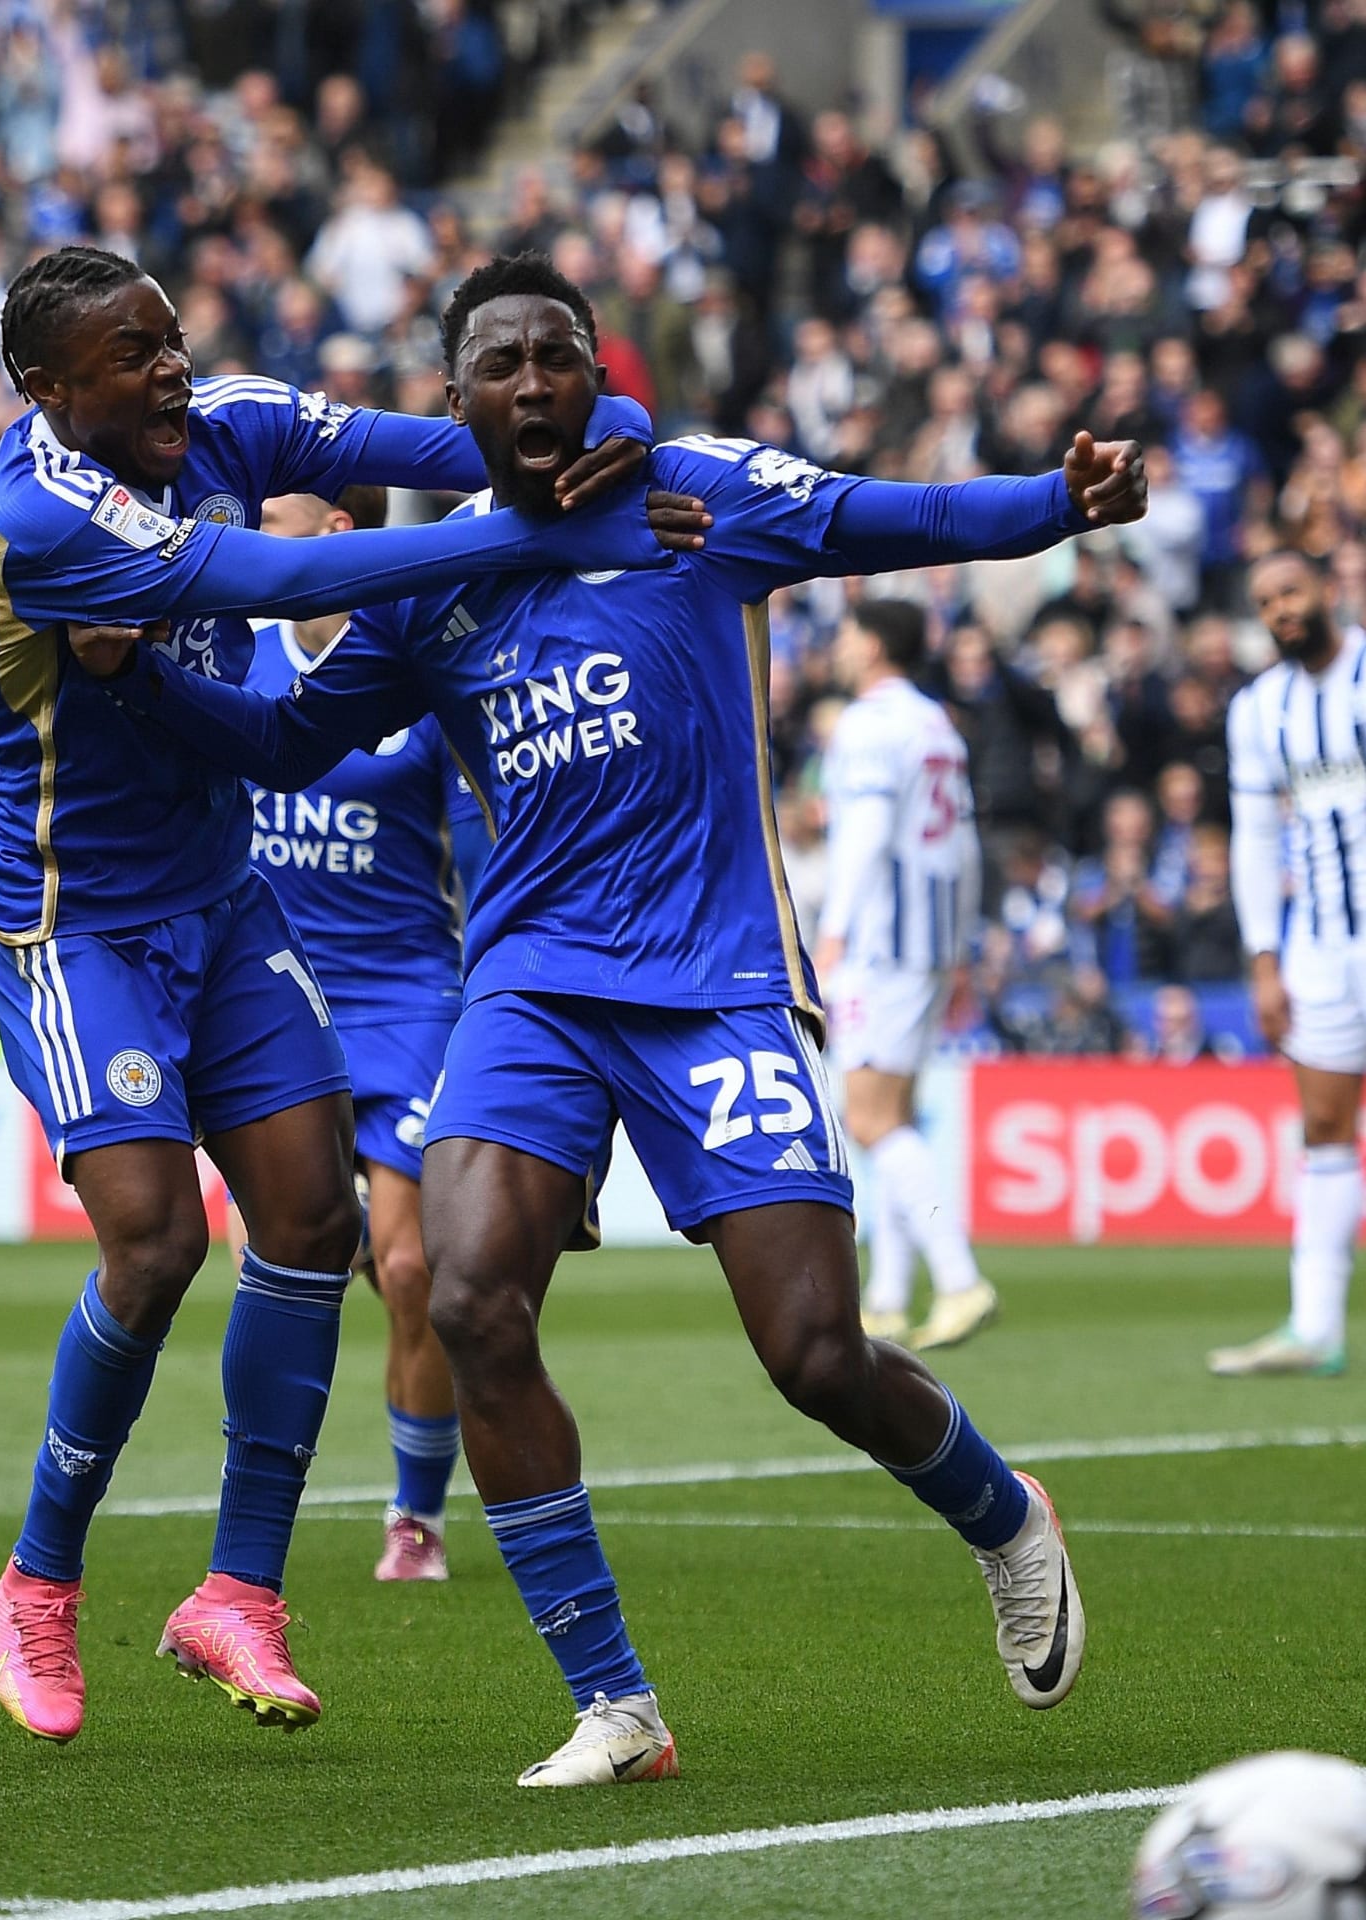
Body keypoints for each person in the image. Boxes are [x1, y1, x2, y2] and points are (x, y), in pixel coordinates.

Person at [83, 252, 1146, 1786]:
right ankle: (615, 1702)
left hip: (712, 979)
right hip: (528, 986)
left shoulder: (693, 500)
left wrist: (1055, 502)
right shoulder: (428, 579)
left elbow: (880, 516)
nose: (533, 383)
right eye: (499, 363)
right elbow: (289, 742)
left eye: (558, 358)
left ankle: (1002, 1514)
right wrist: (132, 686)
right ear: (453, 405)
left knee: (815, 1352)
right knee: (463, 1296)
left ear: (595, 373)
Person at [0, 245, 697, 1746]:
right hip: (65, 921)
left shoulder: (221, 422)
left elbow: (438, 443)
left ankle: (239, 1594)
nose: (170, 371)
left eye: (169, 337)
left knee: (313, 1220)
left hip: (220, 902)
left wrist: (576, 439)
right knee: (155, 1244)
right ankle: (39, 1578)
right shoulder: (40, 516)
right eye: (129, 357)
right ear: (48, 390)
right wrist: (524, 540)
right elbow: (279, 577)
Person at [249, 485, 466, 1581]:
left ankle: (416, 1515)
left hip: (409, 999)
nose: (249, 534)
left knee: (414, 1265)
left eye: (270, 519)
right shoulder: (234, 654)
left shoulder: (420, 662)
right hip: (278, 1000)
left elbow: (478, 844)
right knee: (325, 1262)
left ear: (337, 531)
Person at [817, 599, 995, 1352]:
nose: (841, 646)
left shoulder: (867, 724)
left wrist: (830, 933)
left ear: (874, 644)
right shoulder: (936, 725)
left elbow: (864, 832)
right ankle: (887, 1299)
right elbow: (966, 839)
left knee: (870, 1119)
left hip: (881, 941)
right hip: (929, 937)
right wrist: (959, 948)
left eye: (850, 634)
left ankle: (960, 1281)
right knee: (896, 1113)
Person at [1215, 549, 1362, 1377]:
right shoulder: (1258, 709)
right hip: (1322, 949)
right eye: (1266, 600)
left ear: (1329, 588)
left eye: (1292, 591)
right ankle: (1315, 1329)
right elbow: (1256, 838)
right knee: (1326, 1130)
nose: (1281, 610)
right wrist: (1264, 959)